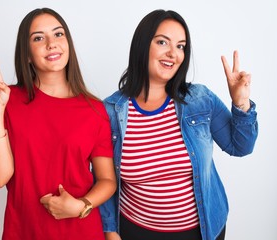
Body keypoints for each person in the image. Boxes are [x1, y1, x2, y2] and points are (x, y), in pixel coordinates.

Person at [100, 9, 258, 240]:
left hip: (202, 231)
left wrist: (241, 102)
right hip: (135, 230)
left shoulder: (200, 100)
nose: (173, 54)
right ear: (143, 45)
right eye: (163, 42)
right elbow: (104, 179)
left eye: (181, 46)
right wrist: (110, 231)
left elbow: (240, 147)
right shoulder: (111, 111)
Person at [0, 7, 116, 240]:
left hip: (80, 232)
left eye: (58, 34)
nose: (52, 43)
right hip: (24, 232)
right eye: (38, 38)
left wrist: (82, 205)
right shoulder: (7, 100)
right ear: (27, 54)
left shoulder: (95, 110)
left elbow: (107, 180)